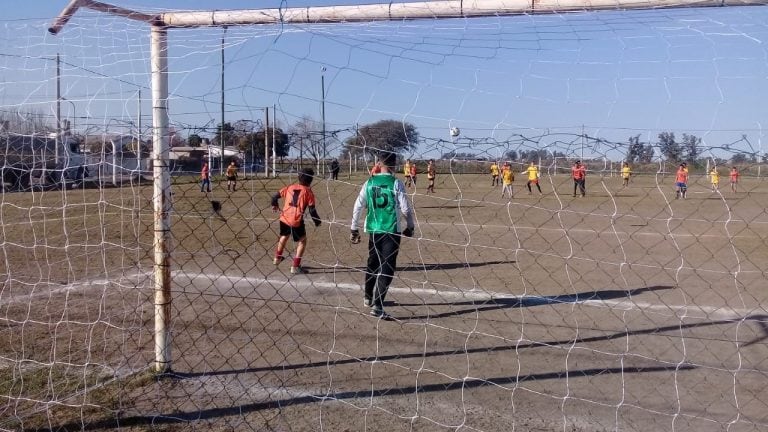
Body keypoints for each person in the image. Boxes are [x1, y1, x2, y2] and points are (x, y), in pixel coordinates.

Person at [350, 151, 415, 319]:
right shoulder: (396, 183)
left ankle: (367, 296)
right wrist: (410, 226)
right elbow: (406, 208)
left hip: (373, 228)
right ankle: (378, 305)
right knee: (388, 265)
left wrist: (353, 228)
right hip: (391, 229)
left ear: (378, 163)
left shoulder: (369, 182)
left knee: (373, 261)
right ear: (394, 165)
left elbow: (358, 206)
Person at [271, 167, 322, 275]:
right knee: (302, 241)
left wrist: (274, 205)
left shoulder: (290, 187)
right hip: (296, 220)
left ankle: (277, 258)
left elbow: (274, 197)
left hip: (284, 218)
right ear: (311, 180)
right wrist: (317, 221)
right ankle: (295, 266)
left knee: (284, 236)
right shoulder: (308, 192)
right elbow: (312, 211)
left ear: (299, 177)